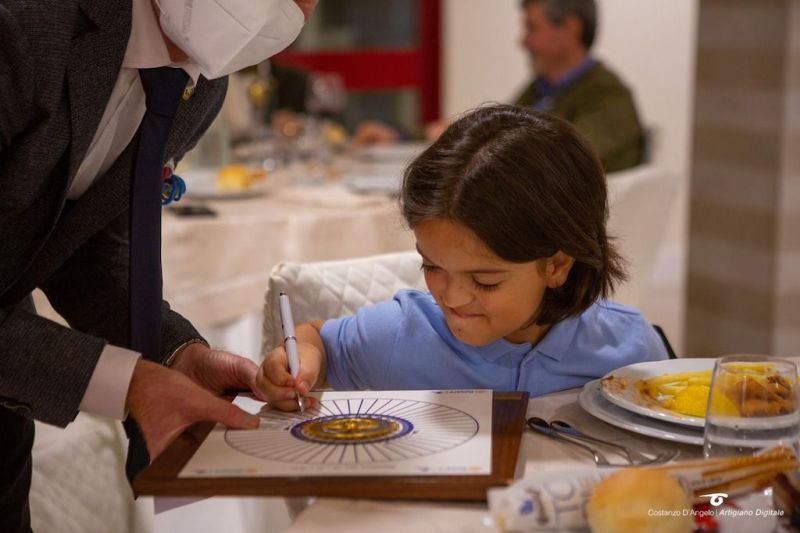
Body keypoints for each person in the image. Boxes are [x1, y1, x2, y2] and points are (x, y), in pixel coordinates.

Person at [0, 0, 316, 531]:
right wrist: (129, 382)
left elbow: (83, 248)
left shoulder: (201, 81)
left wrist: (173, 352)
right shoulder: (23, 25)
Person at [257, 105, 667, 411]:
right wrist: (302, 358)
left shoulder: (630, 349)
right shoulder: (402, 335)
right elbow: (318, 339)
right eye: (432, 266)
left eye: (485, 281)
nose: (450, 296)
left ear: (557, 265)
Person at [354, 0, 645, 173]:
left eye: (531, 28)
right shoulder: (543, 89)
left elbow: (572, 158)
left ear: (570, 27)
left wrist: (472, 140)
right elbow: (498, 128)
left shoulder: (609, 96)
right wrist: (401, 135)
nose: (522, 41)